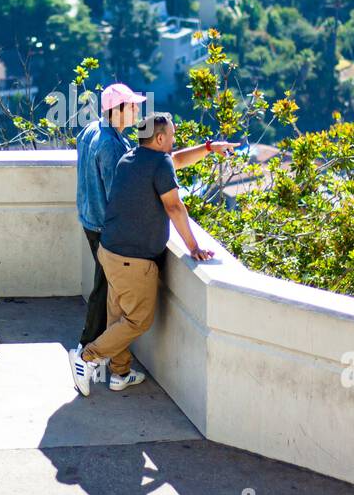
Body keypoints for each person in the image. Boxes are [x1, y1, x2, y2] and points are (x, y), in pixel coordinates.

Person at [70, 112, 235, 396]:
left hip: (109, 251)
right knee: (138, 320)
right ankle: (87, 358)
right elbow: (174, 207)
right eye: (171, 135)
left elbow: (175, 161)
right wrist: (194, 247)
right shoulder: (158, 164)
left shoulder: (131, 158)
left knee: (117, 315)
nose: (173, 140)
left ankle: (119, 373)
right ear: (160, 138)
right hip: (133, 260)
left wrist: (207, 149)